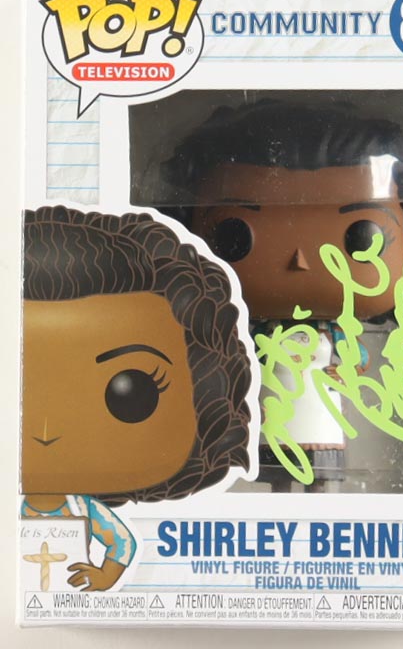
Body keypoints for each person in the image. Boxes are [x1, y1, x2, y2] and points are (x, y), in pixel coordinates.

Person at [161, 100, 403, 491]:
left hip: (322, 409)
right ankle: (283, 495)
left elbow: (356, 359)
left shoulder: (335, 333)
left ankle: (323, 498)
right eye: (235, 236)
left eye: (362, 237)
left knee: (323, 467)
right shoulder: (257, 334)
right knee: (277, 467)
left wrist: (344, 369)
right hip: (273, 410)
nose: (300, 259)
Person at [22, 205, 252, 589]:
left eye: (130, 392)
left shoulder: (85, 509)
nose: (47, 430)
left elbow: (120, 544)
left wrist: (105, 577)